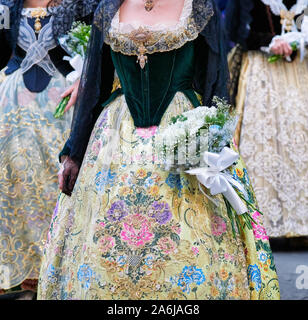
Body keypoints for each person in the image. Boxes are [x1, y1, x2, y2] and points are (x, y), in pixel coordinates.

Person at [38, 0, 280, 300]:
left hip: (181, 135)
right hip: (114, 138)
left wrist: (214, 143)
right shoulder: (108, 9)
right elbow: (95, 86)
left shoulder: (199, 8)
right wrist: (74, 152)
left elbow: (215, 84)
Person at [0, 0, 99, 298]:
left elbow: (99, 52)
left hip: (64, 104)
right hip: (13, 105)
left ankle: (55, 272)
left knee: (56, 186)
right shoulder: (7, 4)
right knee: (13, 185)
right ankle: (23, 276)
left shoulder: (84, 3)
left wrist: (85, 79)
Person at [226, 0, 308, 239]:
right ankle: (265, 223)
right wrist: (269, 42)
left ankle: (299, 221)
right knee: (266, 142)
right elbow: (236, 30)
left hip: (301, 71)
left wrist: (299, 40)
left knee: (298, 138)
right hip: (261, 71)